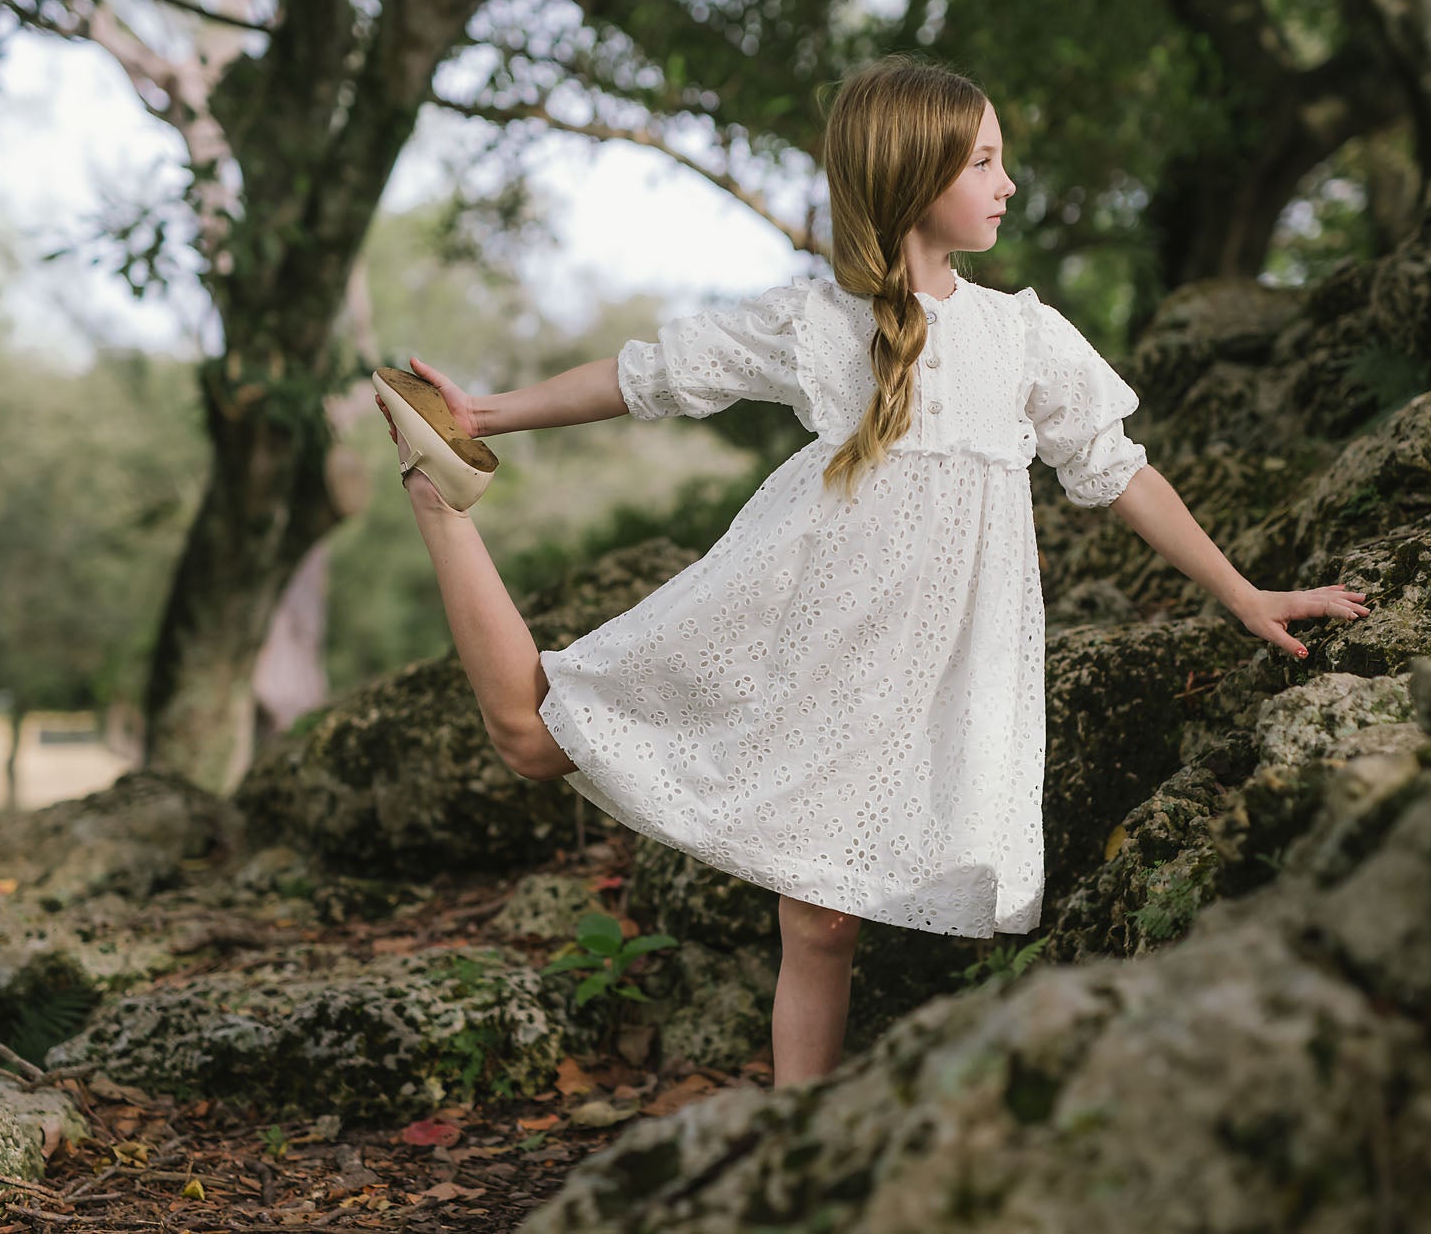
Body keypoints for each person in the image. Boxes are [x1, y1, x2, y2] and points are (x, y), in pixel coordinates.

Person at [371, 54, 1371, 1086]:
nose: (1006, 185)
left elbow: (1118, 471)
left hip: (919, 672)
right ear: (911, 174)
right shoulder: (817, 322)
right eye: (982, 162)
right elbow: (649, 377)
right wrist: (487, 413)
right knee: (536, 739)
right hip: (798, 625)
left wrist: (1242, 591)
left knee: (820, 921)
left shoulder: (1021, 334)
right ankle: (439, 495)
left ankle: (794, 1144)